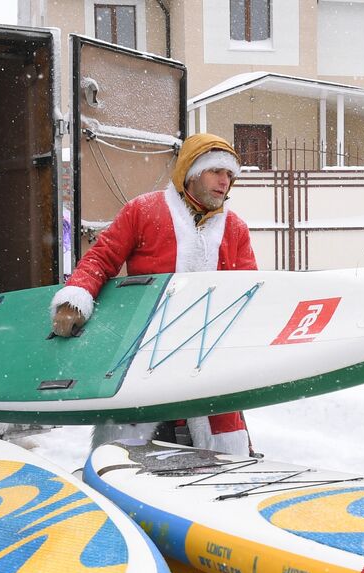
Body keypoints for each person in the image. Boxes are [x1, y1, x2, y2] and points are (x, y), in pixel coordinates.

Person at [49, 133, 258, 454]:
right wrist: (75, 299)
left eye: (229, 175)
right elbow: (101, 257)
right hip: (145, 353)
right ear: (191, 171)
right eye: (216, 171)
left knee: (219, 453)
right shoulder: (143, 211)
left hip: (210, 361)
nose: (224, 181)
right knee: (131, 452)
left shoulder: (235, 229)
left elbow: (250, 290)